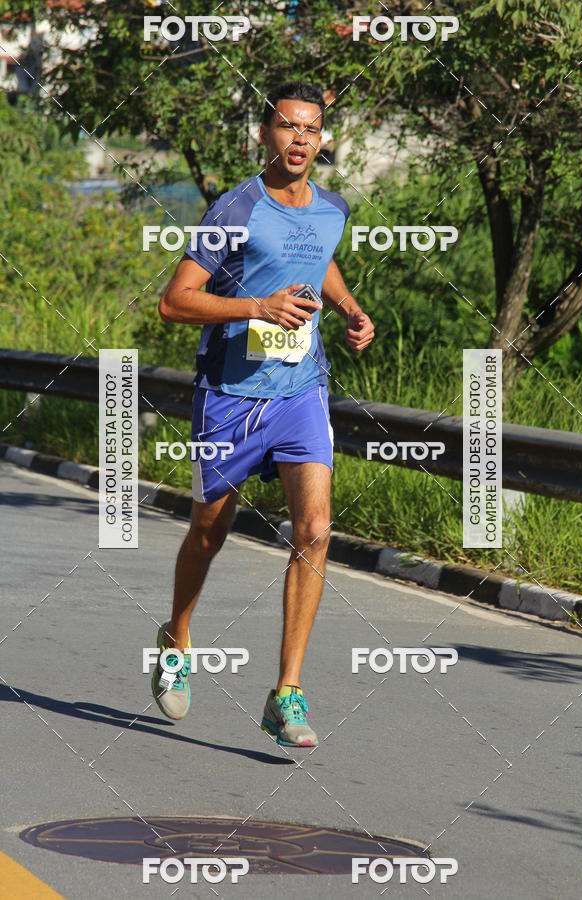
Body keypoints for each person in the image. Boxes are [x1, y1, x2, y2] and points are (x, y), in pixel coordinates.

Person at [153, 80, 375, 747]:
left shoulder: (331, 208)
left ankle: (287, 694)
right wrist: (257, 306)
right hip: (229, 398)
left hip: (301, 392)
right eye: (287, 127)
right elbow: (174, 300)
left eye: (311, 129)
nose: (300, 139)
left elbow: (317, 258)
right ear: (265, 135)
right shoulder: (236, 208)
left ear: (321, 138)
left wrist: (349, 309)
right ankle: (176, 637)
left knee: (313, 528)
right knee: (207, 534)